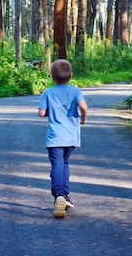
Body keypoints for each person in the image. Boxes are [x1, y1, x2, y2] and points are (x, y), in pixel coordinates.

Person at [38, 59, 88, 219]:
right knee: (65, 164)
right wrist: (83, 119)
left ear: (52, 77)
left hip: (55, 137)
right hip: (72, 136)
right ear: (71, 76)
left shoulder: (48, 92)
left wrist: (49, 112)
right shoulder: (75, 91)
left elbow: (41, 113)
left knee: (57, 165)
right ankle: (66, 196)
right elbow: (83, 106)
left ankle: (59, 195)